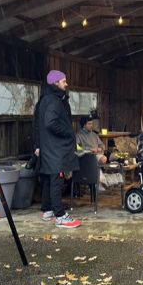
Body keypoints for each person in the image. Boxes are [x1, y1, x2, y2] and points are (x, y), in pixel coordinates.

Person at [34, 70, 82, 228]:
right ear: (55, 83)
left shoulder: (43, 100)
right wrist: (68, 132)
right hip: (56, 149)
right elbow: (51, 123)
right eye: (63, 81)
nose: (66, 84)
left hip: (47, 148)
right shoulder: (55, 101)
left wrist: (38, 145)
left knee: (48, 179)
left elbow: (37, 125)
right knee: (56, 181)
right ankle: (60, 216)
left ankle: (47, 209)